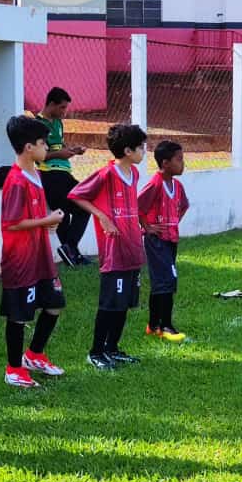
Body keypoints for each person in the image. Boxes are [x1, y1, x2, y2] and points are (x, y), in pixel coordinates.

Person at [69, 124, 148, 370]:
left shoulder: (133, 175)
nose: (144, 151)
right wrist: (102, 217)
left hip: (132, 247)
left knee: (124, 302)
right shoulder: (106, 174)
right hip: (113, 250)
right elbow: (76, 195)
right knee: (109, 303)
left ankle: (112, 349)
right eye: (141, 147)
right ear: (127, 150)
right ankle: (95, 351)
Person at [0, 115, 67, 388]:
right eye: (42, 143)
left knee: (54, 304)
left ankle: (34, 354)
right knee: (19, 314)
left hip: (41, 256)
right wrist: (46, 222)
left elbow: (36, 213)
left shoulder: (35, 174)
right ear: (29, 147)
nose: (46, 149)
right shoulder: (16, 181)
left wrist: (48, 218)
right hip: (21, 259)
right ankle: (13, 369)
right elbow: (11, 223)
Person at [138, 140, 189, 343]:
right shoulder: (155, 183)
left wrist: (173, 223)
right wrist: (148, 227)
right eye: (179, 159)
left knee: (164, 281)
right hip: (156, 240)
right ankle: (166, 325)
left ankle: (153, 325)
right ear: (165, 163)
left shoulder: (177, 185)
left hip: (170, 239)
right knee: (166, 280)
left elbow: (183, 206)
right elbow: (138, 206)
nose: (183, 163)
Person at [31, 87, 89, 267]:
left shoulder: (58, 123)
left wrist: (72, 150)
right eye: (62, 108)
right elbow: (39, 156)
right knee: (84, 205)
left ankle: (72, 254)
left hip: (64, 172)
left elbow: (59, 146)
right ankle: (71, 249)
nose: (64, 112)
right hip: (50, 174)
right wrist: (60, 154)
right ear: (51, 104)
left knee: (63, 215)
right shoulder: (37, 125)